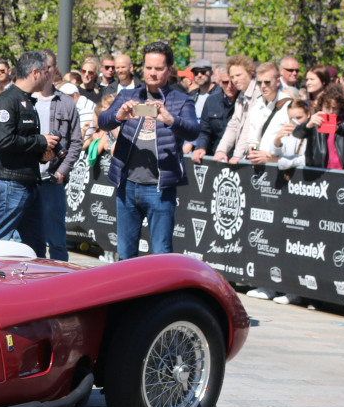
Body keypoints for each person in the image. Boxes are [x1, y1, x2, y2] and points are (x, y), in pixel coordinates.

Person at [96, 41, 198, 260]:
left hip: (160, 189)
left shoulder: (181, 100)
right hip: (128, 185)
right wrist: (118, 116)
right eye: (148, 67)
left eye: (159, 68)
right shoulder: (127, 95)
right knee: (125, 254)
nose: (153, 73)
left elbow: (193, 131)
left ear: (169, 69)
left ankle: (159, 296)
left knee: (161, 255)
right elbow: (103, 121)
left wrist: (170, 119)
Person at [0, 50, 59, 248]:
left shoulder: (27, 100)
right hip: (10, 183)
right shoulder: (7, 100)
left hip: (28, 182)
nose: (49, 75)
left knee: (36, 245)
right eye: (46, 71)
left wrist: (42, 153)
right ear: (35, 72)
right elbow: (4, 141)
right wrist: (40, 141)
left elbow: (22, 141)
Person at [32, 69, 82, 260]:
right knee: (26, 241)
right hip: (27, 179)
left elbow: (76, 141)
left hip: (52, 180)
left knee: (57, 242)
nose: (44, 73)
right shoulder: (25, 99)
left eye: (48, 68)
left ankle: (61, 284)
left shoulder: (66, 102)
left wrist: (62, 172)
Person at [292, 84, 344, 171]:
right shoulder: (315, 122)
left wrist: (338, 129)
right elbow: (296, 134)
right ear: (321, 106)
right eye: (327, 107)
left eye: (334, 108)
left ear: (340, 108)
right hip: (318, 171)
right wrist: (308, 125)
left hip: (341, 171)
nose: (330, 112)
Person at [187, 58, 230, 162]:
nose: (199, 75)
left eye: (203, 72)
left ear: (211, 73)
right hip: (194, 149)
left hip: (213, 150)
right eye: (196, 73)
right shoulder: (191, 96)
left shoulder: (219, 94)